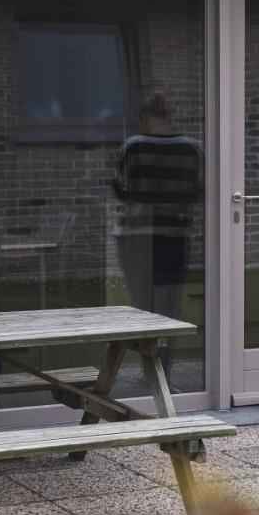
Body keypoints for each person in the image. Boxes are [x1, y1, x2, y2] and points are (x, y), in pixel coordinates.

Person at [113, 92, 204, 372]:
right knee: (169, 306)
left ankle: (146, 368)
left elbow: (120, 187)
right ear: (169, 117)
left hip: (136, 237)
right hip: (174, 235)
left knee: (142, 303)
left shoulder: (134, 146)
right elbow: (198, 190)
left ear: (143, 117)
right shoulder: (191, 148)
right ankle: (164, 369)